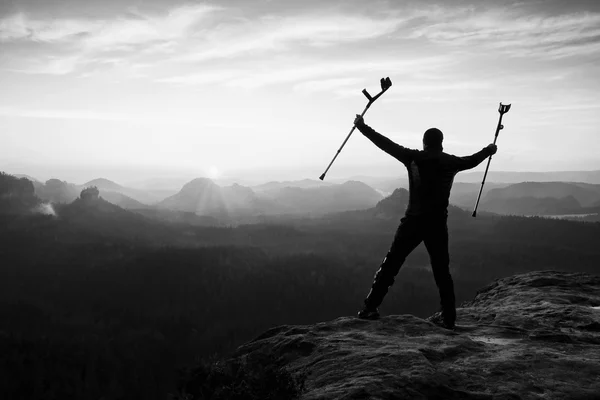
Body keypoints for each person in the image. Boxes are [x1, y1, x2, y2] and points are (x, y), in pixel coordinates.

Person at [354, 114, 497, 329]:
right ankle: (449, 318)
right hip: (437, 224)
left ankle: (370, 307)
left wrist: (362, 127)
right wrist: (489, 150)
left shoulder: (413, 158)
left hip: (412, 222)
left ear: (424, 143)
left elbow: (385, 144)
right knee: (442, 271)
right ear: (441, 144)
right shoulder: (451, 162)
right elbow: (472, 160)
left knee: (391, 264)